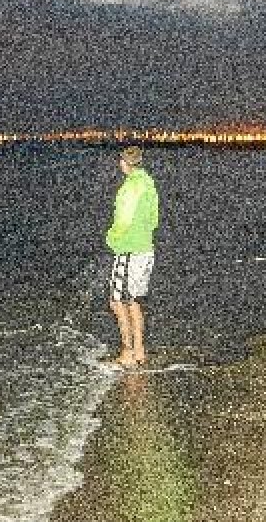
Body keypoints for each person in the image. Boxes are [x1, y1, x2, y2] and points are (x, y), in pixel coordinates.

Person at [105, 146, 160, 368]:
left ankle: (128, 352)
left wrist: (112, 239)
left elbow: (123, 221)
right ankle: (139, 351)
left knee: (117, 301)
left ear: (124, 163)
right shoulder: (148, 183)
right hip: (145, 248)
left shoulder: (129, 188)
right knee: (135, 301)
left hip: (129, 250)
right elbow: (154, 218)